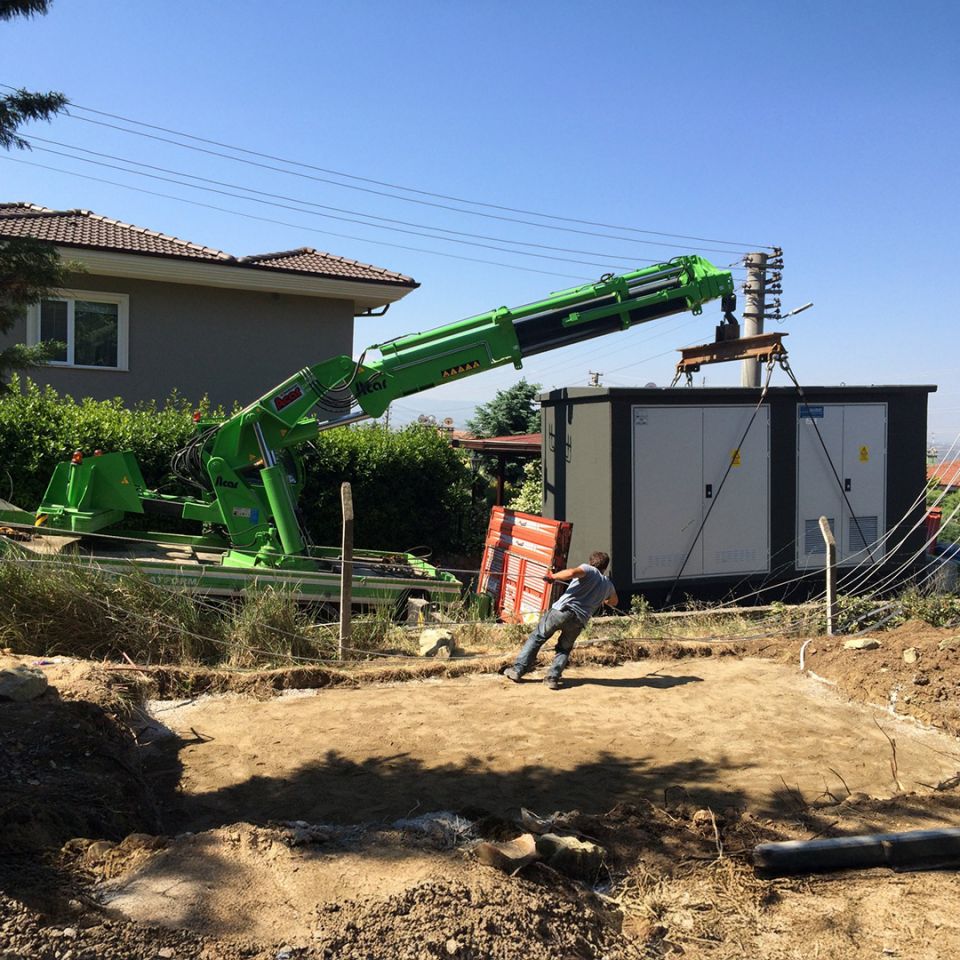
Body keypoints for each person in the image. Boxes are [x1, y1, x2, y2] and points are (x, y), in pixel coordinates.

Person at [503, 551, 618, 690]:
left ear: (591, 562)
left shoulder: (589, 569)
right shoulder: (608, 584)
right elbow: (614, 602)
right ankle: (552, 678)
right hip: (579, 620)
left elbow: (571, 573)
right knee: (564, 649)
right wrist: (605, 599)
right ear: (605, 567)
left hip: (562, 611)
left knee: (537, 637)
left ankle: (517, 670)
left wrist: (553, 576)